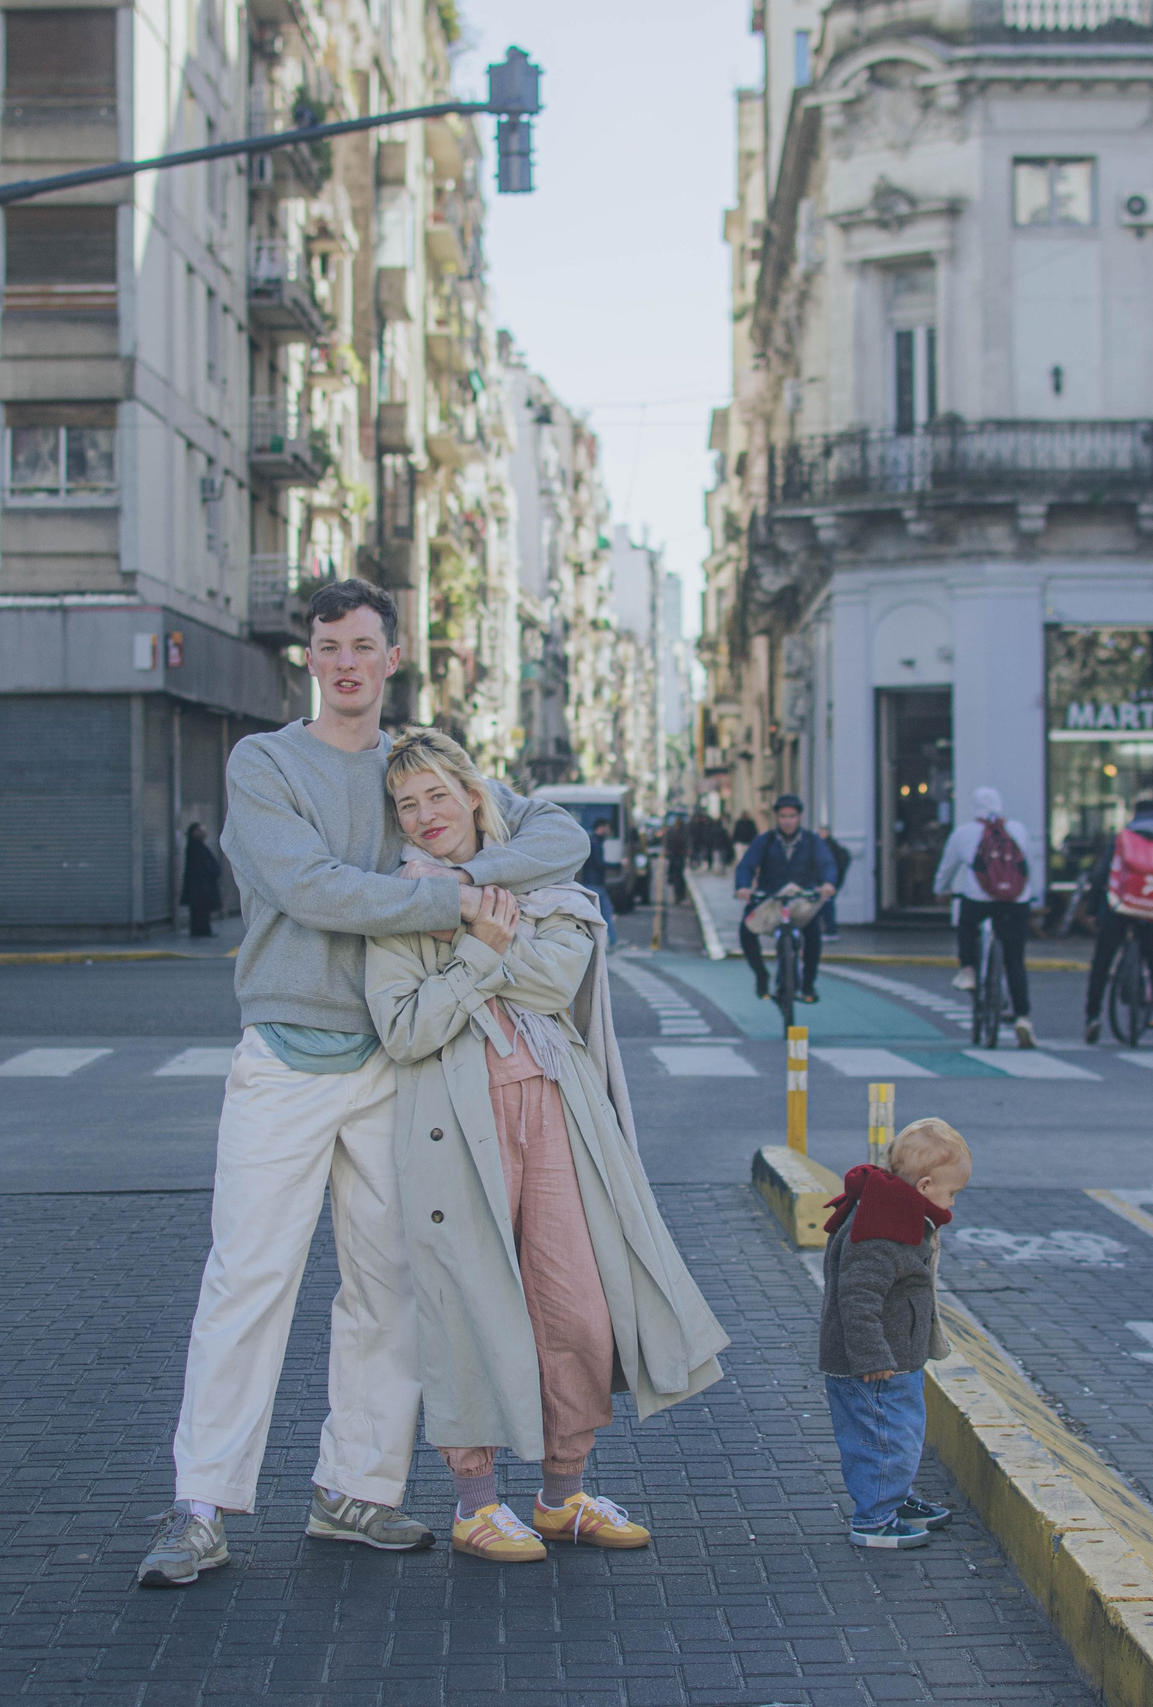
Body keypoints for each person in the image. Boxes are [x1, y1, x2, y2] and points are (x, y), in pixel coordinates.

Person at [139, 578, 590, 1590]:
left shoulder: (415, 764)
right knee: (247, 1281)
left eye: (363, 646)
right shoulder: (263, 762)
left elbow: (561, 835)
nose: (345, 662)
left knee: (391, 1290)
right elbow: (308, 890)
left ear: (393, 659)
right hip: (287, 1057)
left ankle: (355, 1494)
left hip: (402, 1060)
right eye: (327, 646)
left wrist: (478, 879)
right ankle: (199, 1506)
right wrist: (437, 902)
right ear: (308, 659)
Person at [368, 729, 728, 1562]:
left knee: (578, 1311)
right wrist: (479, 947)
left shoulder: (552, 890)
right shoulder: (390, 905)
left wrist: (469, 950)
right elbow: (405, 1028)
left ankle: (563, 1493)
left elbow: (550, 982)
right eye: (406, 804)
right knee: (470, 1309)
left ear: (473, 794)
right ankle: (474, 1504)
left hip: (557, 1114)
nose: (424, 816)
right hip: (455, 1128)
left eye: (437, 795)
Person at [818, 1118, 970, 1548]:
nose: (953, 1202)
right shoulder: (883, 1230)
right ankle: (874, 1520)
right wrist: (872, 1358)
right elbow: (858, 1297)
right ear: (923, 1186)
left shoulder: (897, 1211)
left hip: (896, 1357)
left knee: (900, 1435)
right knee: (881, 1439)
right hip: (875, 1364)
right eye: (951, 1192)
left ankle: (893, 1498)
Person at [932, 787, 1036, 1049]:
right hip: (1016, 900)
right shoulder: (1018, 830)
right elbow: (1029, 866)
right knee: (1015, 960)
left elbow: (946, 868)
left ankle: (968, 969)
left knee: (966, 924)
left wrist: (941, 891)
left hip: (979, 899)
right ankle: (1023, 1017)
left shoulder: (964, 833)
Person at [1080, 799, 1153, 1047]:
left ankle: (1092, 1017)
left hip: (1120, 907)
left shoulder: (1124, 839)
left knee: (1102, 962)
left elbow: (1102, 873)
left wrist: (1094, 909)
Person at [733, 794, 837, 1003]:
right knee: (746, 931)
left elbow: (827, 863)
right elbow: (746, 865)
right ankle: (761, 975)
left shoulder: (811, 841)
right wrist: (743, 887)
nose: (788, 821)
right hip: (770, 899)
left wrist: (828, 883)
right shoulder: (765, 841)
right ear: (777, 818)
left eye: (792, 816)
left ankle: (808, 985)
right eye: (783, 816)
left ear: (799, 817)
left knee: (814, 933)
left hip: (801, 900)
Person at [578, 818, 617, 946]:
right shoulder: (595, 843)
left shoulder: (593, 841)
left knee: (603, 911)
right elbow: (598, 863)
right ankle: (610, 940)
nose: (609, 830)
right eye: (607, 827)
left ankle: (610, 940)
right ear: (601, 827)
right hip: (594, 884)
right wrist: (618, 865)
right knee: (604, 912)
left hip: (593, 883)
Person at [181, 822, 223, 939]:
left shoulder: (195, 847)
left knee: (201, 910)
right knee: (200, 911)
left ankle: (200, 930)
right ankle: (201, 930)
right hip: (200, 887)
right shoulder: (195, 848)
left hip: (199, 887)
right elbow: (204, 867)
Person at [819, 829, 852, 941]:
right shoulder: (834, 847)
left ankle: (831, 930)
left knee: (826, 905)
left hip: (829, 882)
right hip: (834, 881)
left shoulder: (826, 848)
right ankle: (830, 929)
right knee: (827, 904)